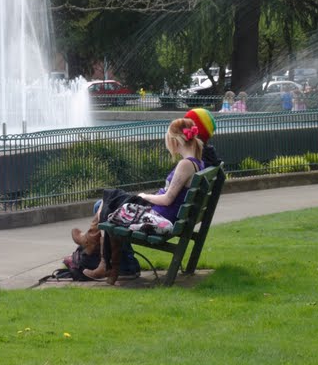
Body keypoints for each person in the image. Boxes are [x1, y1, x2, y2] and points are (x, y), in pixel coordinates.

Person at [80, 109, 216, 283]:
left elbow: (167, 199)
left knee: (108, 201)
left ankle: (102, 258)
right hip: (163, 212)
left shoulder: (185, 164)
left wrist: (145, 196)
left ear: (175, 141)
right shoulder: (198, 162)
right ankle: (99, 255)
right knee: (109, 200)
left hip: (158, 215)